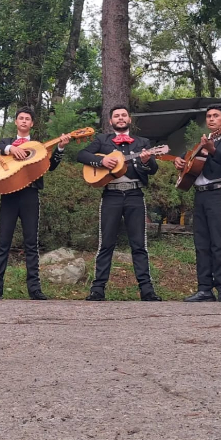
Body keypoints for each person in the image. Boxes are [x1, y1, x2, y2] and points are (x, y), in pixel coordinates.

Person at [0, 107, 71, 300]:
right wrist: (10, 149)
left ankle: (35, 289)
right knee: (3, 243)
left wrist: (61, 148)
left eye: (27, 119)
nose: (24, 121)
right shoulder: (6, 142)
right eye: (21, 118)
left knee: (31, 243)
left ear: (32, 124)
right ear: (16, 122)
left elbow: (52, 166)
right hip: (8, 195)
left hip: (30, 195)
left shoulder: (39, 145)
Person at [77, 104, 161, 302]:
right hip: (111, 195)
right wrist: (101, 162)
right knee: (106, 243)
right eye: (117, 116)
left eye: (124, 115)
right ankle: (98, 289)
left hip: (135, 195)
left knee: (139, 244)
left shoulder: (143, 142)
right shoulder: (102, 140)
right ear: (110, 121)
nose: (121, 118)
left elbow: (153, 169)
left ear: (129, 119)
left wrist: (147, 160)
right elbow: (81, 155)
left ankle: (146, 290)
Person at [174, 104, 221, 302]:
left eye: (216, 116)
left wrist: (212, 151)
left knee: (218, 243)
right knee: (201, 244)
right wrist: (180, 162)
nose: (211, 119)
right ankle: (204, 289)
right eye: (208, 116)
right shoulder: (203, 142)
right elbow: (193, 166)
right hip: (201, 194)